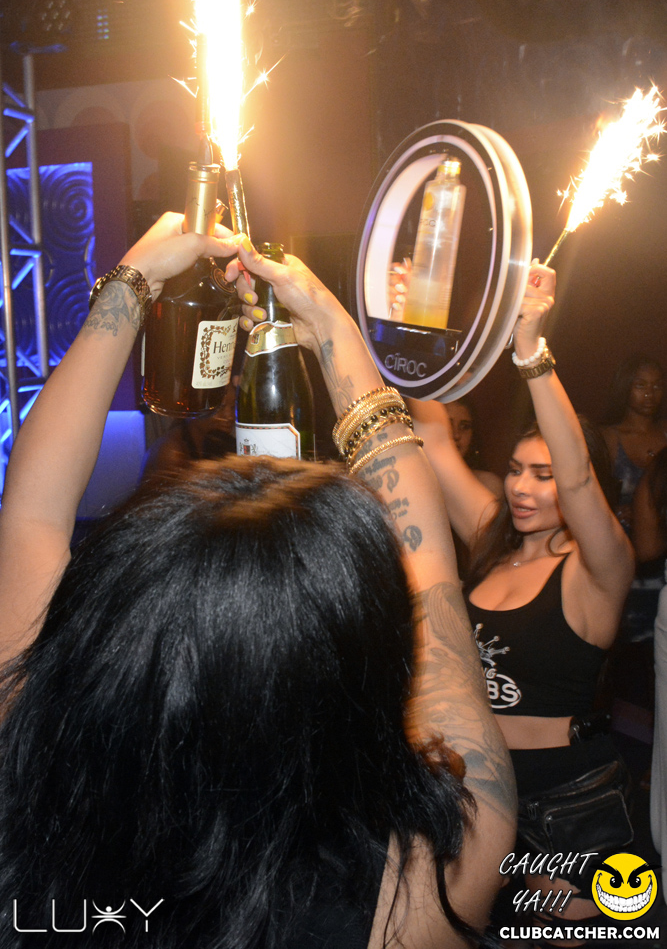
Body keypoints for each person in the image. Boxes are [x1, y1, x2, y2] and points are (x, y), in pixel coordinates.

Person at [0, 214, 515, 948]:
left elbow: (32, 516)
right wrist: (332, 328)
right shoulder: (429, 875)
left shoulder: (39, 772)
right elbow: (430, 563)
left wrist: (129, 286)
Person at [410, 266, 635, 933]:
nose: (520, 488)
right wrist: (411, 326)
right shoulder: (492, 539)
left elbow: (578, 477)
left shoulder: (599, 568)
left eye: (542, 474)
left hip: (567, 797)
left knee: (568, 939)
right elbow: (432, 441)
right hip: (478, 793)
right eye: (514, 470)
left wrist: (531, 352)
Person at [601, 355, 667, 535]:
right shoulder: (609, 438)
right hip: (621, 537)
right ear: (625, 387)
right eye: (641, 385)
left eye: (657, 386)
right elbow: (590, 493)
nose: (650, 394)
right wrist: (615, 511)